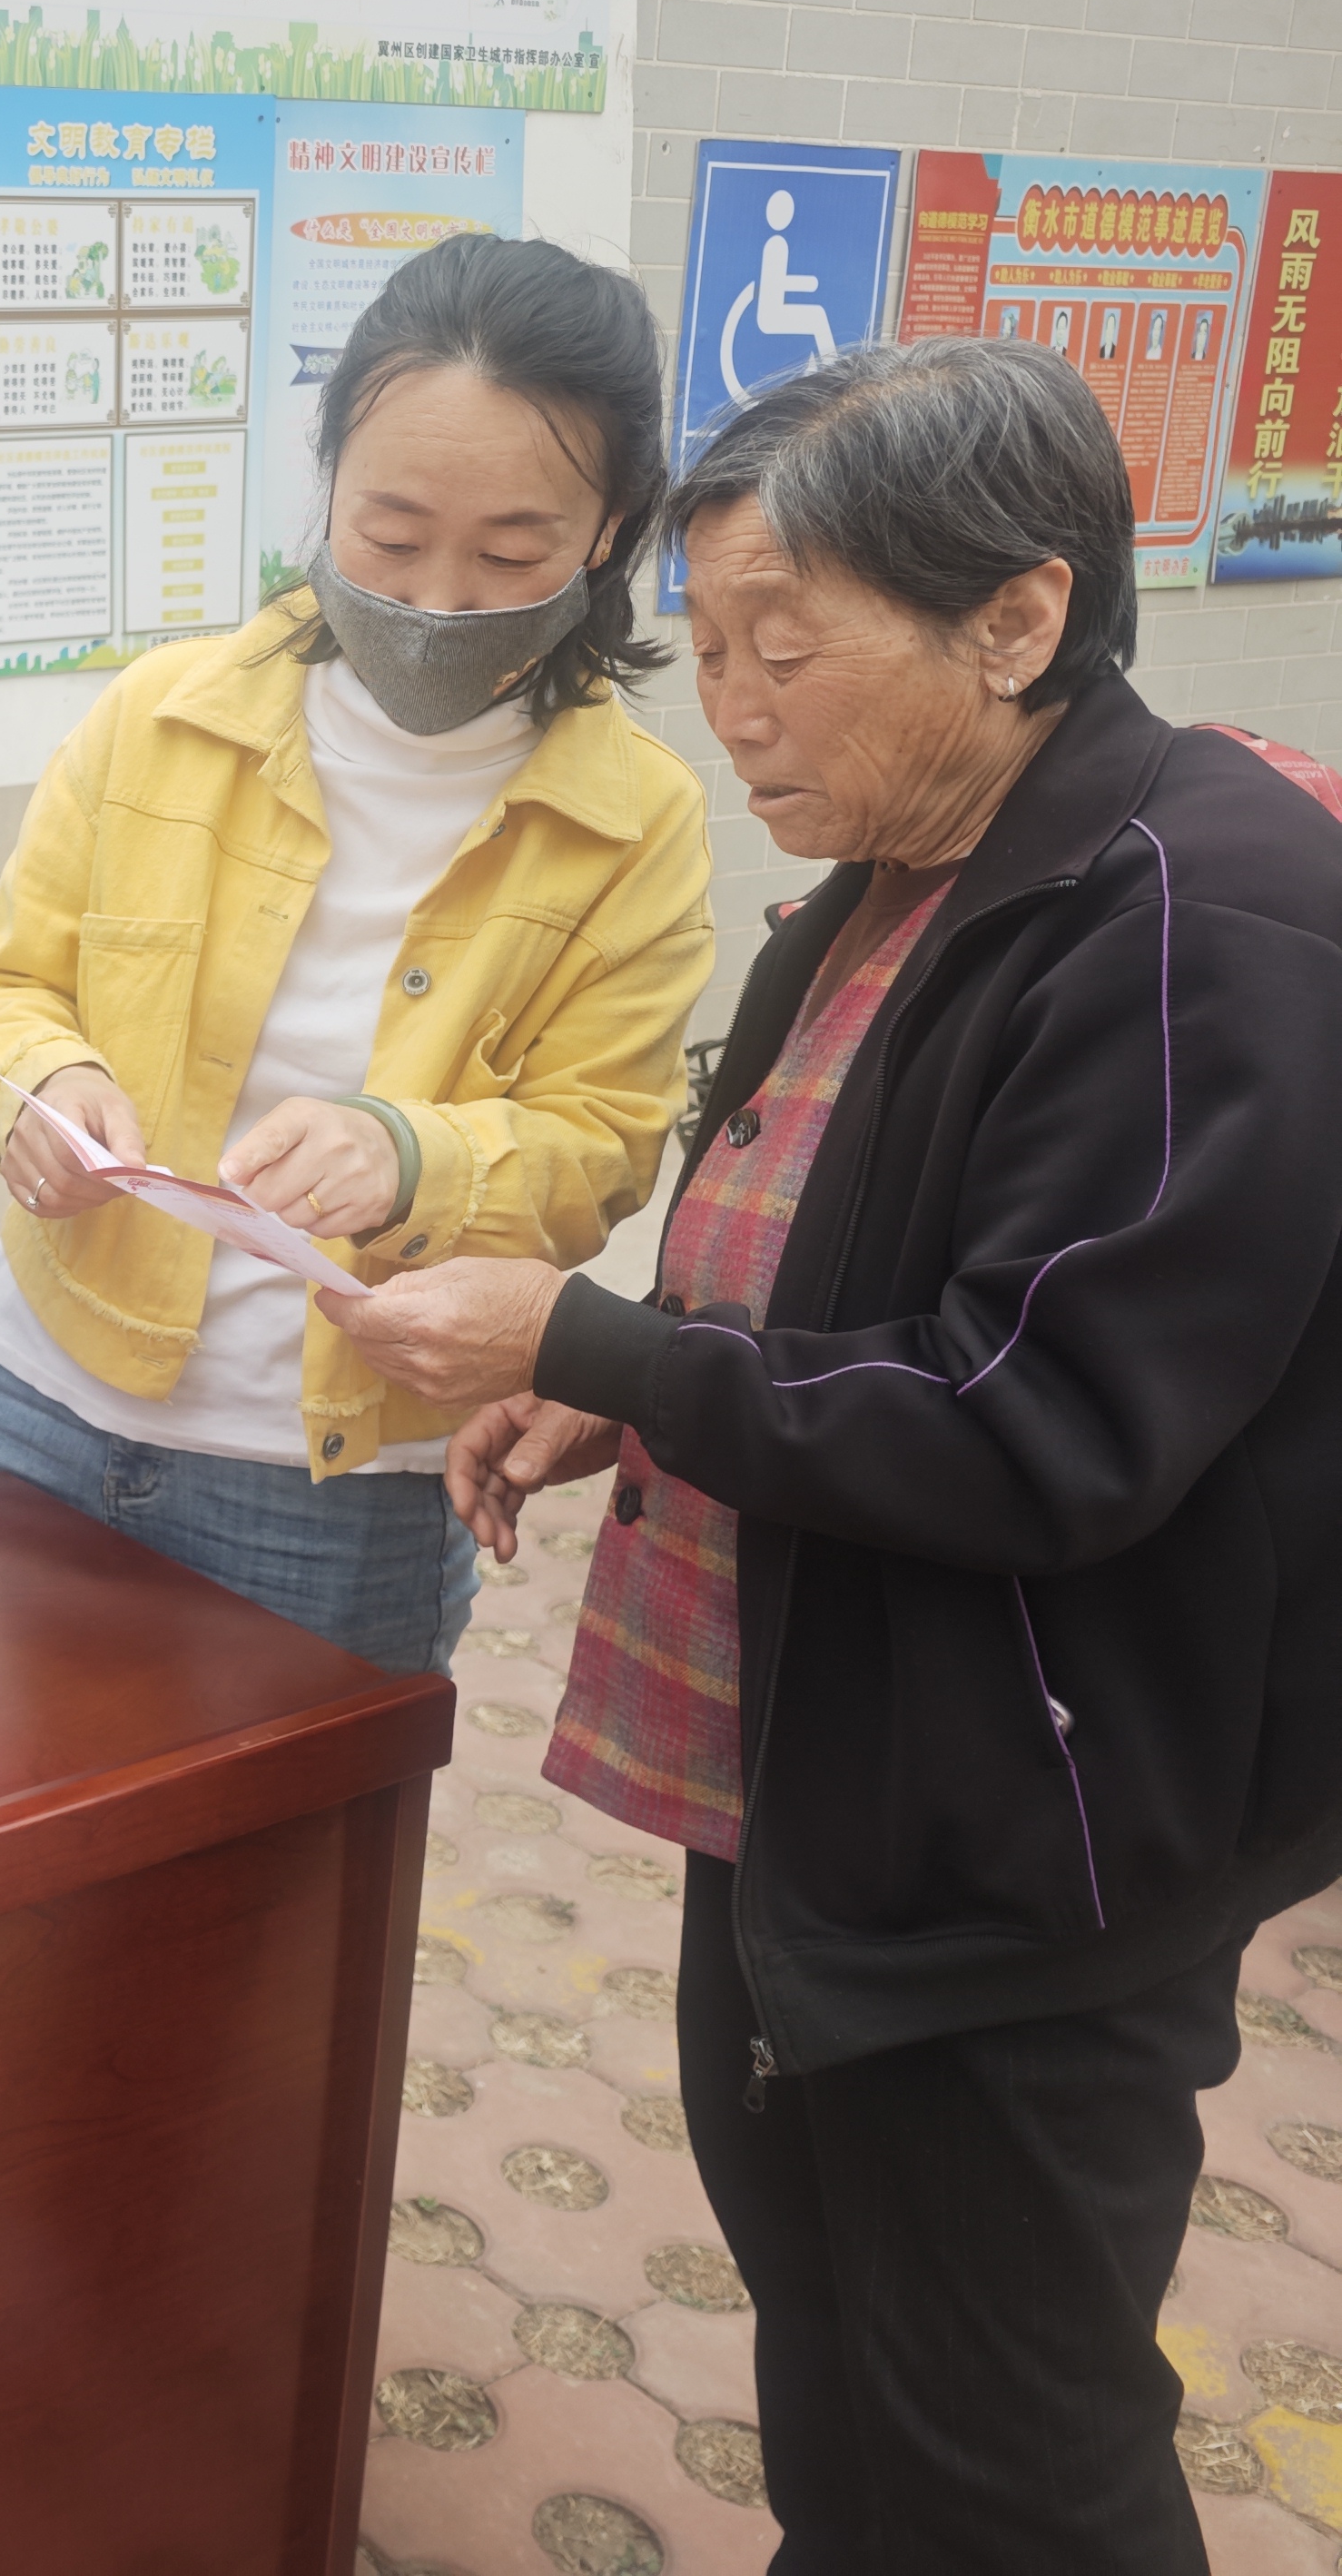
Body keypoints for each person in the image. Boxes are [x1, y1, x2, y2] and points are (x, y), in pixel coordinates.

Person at [327, 338, 1342, 2564]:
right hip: (813, 1774)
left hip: (1023, 1852)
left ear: (1016, 617)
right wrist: (631, 1382)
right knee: (833, 2353)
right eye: (701, 648)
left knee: (1014, 2447)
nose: (731, 710)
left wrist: (589, 1329)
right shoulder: (887, 879)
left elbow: (1037, 1421)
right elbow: (838, 1284)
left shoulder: (1204, 917)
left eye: (780, 648)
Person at [0, 232, 713, 1674]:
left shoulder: (635, 822)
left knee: (291, 1835)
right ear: (328, 472)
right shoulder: (162, 715)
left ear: (608, 534)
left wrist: (411, 1158)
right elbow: (3, 987)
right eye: (391, 537)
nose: (441, 600)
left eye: (512, 554)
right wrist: (41, 1086)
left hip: (338, 1495)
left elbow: (602, 1148)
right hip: (33, 1397)